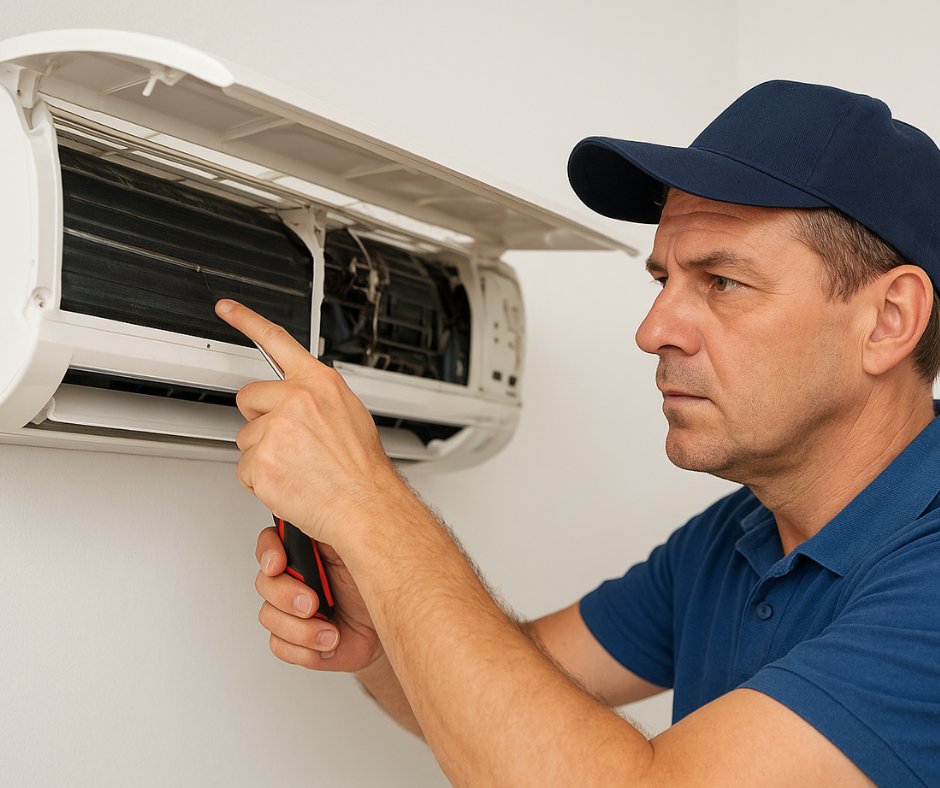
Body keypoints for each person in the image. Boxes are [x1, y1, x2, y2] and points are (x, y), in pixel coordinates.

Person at [215, 80, 940, 787]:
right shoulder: (733, 540)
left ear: (889, 320)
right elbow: (498, 715)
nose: (652, 331)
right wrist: (381, 639)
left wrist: (371, 509)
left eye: (722, 281)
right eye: (662, 281)